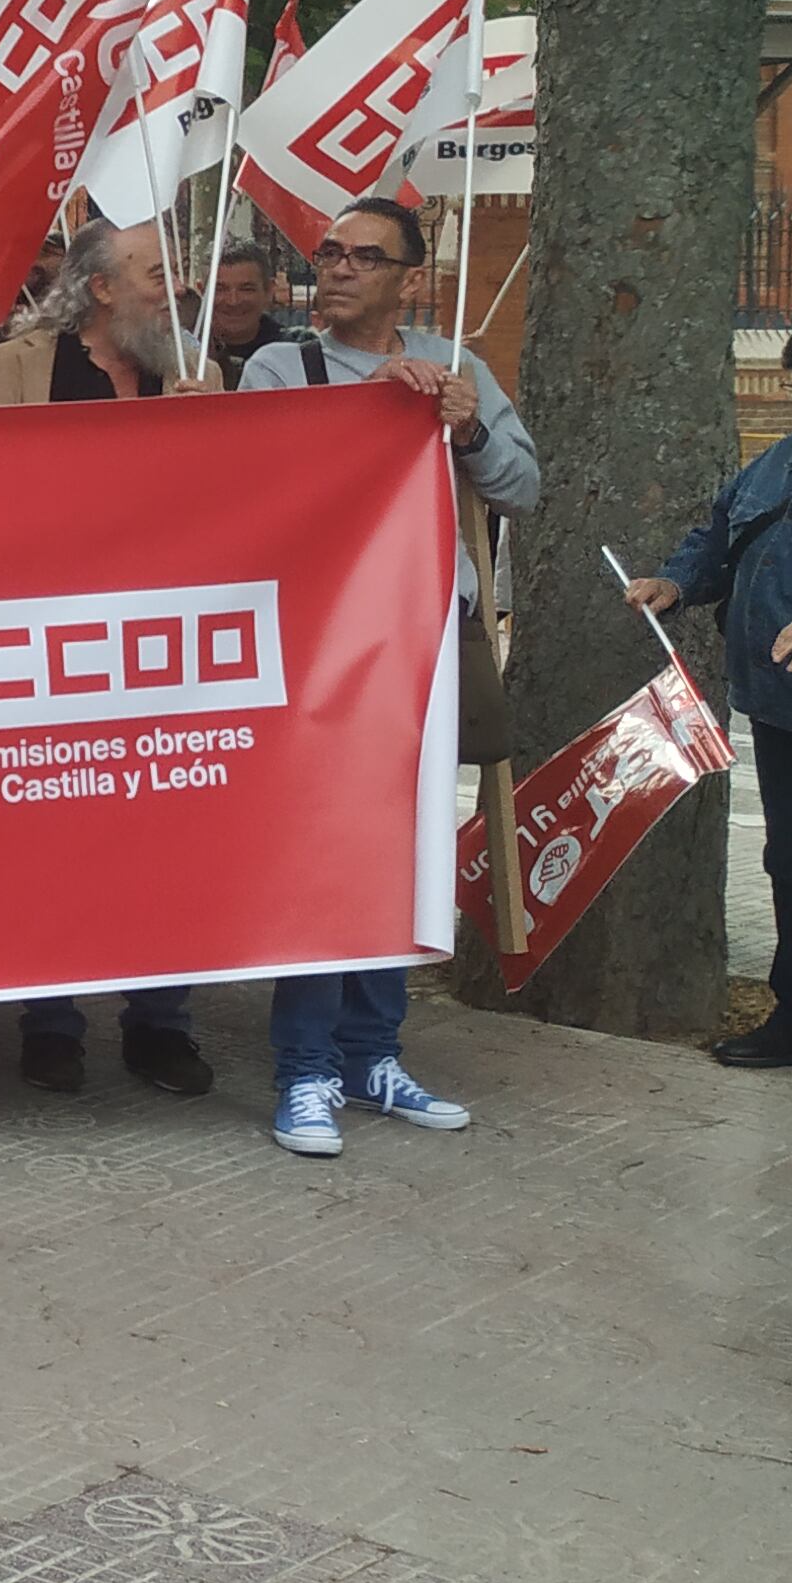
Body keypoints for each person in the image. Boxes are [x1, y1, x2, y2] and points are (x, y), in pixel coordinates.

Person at [241, 193, 532, 1157]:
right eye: (329, 253)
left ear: (411, 278)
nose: (338, 268)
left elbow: (524, 486)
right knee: (328, 850)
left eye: (364, 257)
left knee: (403, 853)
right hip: (325, 641)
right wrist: (377, 410)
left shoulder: (463, 369)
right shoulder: (285, 365)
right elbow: (256, 476)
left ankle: (373, 1054)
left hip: (427, 634)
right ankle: (306, 1069)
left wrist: (468, 425)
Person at [0, 223, 224, 1096]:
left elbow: (235, 515)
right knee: (52, 840)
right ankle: (52, 1019)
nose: (174, 288)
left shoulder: (198, 378)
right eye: (156, 274)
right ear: (101, 290)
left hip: (161, 653)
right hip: (48, 648)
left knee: (171, 840)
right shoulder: (7, 372)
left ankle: (160, 1021)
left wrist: (207, 443)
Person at [633, 302, 792, 1089]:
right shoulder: (785, 461)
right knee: (791, 864)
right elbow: (721, 534)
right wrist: (675, 582)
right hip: (788, 712)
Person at [204, 241, 284, 373]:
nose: (233, 301)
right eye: (220, 289)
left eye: (246, 289)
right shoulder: (184, 354)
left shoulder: (298, 349)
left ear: (269, 290)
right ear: (202, 291)